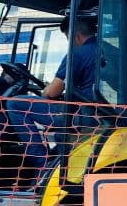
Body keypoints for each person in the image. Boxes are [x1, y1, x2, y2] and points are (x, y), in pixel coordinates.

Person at [6, 12, 99, 179]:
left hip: (79, 115)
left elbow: (52, 92)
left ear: (75, 36)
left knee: (15, 104)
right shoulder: (108, 50)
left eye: (68, 39)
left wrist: (46, 89)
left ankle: (42, 162)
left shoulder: (77, 54)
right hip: (98, 113)